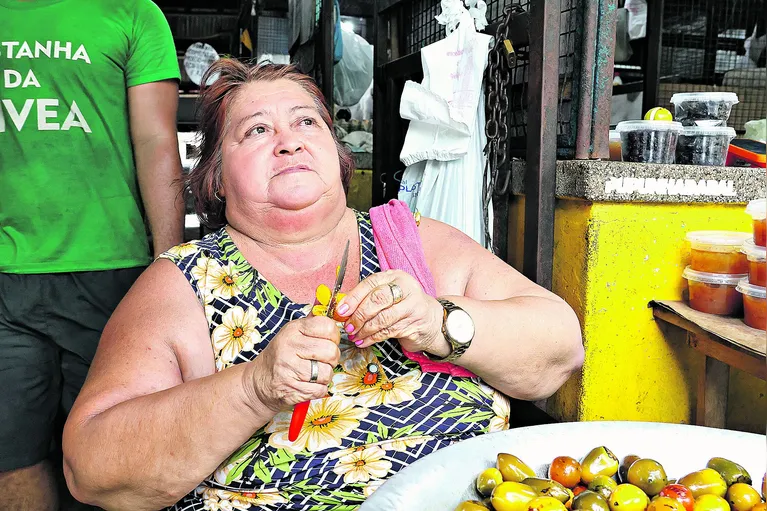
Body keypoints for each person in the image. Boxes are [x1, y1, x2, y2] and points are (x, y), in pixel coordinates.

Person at [62, 59, 584, 511]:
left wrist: (438, 322)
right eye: (257, 131)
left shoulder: (410, 241)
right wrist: (253, 388)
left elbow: (561, 350)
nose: (288, 142)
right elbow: (91, 469)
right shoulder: (184, 283)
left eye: (305, 122)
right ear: (216, 176)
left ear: (337, 156)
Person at [0, 1, 184, 509]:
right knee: (9, 457)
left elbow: (156, 141)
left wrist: (173, 269)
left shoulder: (133, 12)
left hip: (110, 272)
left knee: (113, 462)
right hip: (5, 280)